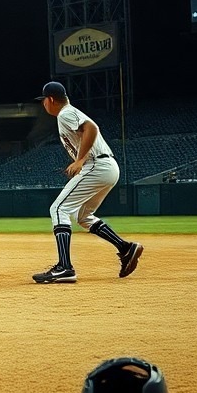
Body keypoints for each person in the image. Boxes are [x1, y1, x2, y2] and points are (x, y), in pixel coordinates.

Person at [32, 81, 143, 284]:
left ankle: (65, 267)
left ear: (50, 100)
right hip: (106, 167)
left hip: (96, 165)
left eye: (43, 101)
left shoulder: (65, 113)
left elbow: (91, 127)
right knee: (83, 216)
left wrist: (81, 160)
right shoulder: (66, 113)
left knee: (59, 209)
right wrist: (80, 162)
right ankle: (126, 248)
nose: (43, 105)